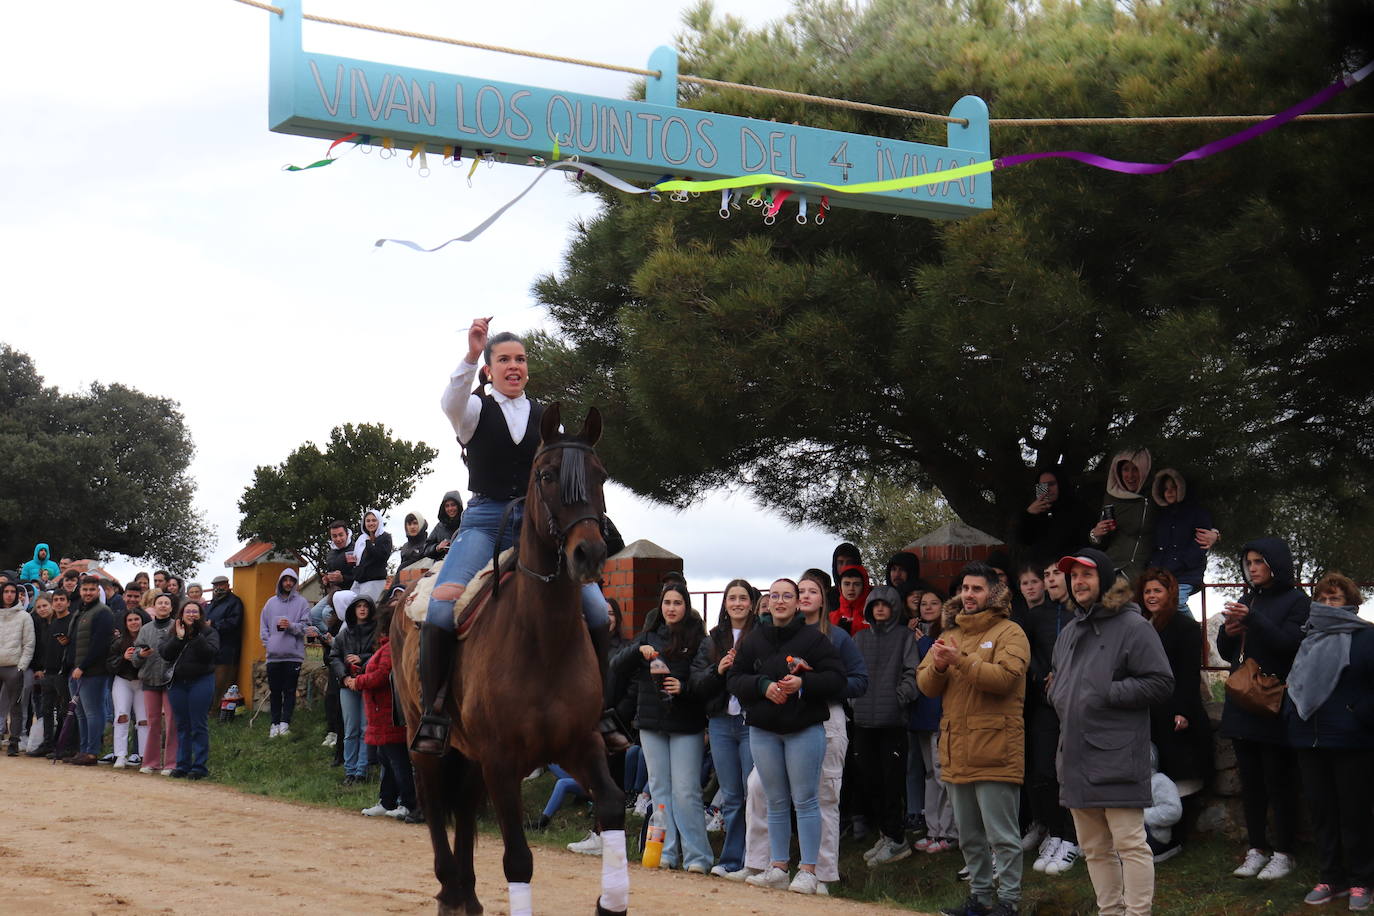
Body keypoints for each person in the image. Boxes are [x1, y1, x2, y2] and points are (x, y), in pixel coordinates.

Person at [416, 317, 615, 755]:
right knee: (441, 609)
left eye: (520, 360)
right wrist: (470, 353)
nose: (514, 366)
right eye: (504, 359)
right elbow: (449, 399)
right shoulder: (472, 410)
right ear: (489, 369)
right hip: (485, 520)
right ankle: (434, 713)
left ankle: (604, 710)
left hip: (538, 523)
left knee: (599, 611)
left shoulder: (548, 419)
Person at [1049, 549, 1173, 916]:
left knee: (1131, 844)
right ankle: (1110, 912)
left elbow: (1161, 683)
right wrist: (1059, 693)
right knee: (1093, 848)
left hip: (1117, 754)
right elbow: (1063, 681)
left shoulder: (1135, 627)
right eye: (1073, 577)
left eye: (1086, 575)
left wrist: (1107, 691)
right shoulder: (1070, 631)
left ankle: (1137, 913)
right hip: (1074, 753)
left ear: (1103, 579)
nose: (1078, 582)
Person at [917, 562, 1029, 916]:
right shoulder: (950, 635)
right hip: (956, 750)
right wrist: (937, 666)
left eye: (976, 589)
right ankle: (980, 899)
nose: (968, 595)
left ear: (993, 594)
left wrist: (960, 661)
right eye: (964, 588)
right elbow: (925, 684)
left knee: (1002, 836)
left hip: (996, 749)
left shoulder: (1011, 632)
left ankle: (1008, 901)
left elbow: (1006, 679)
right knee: (969, 836)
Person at [728, 578, 847, 895]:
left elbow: (837, 679)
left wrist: (804, 685)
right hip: (764, 729)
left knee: (806, 800)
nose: (780, 601)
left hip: (804, 728)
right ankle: (778, 867)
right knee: (775, 800)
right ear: (768, 602)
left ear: (797, 603)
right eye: (775, 596)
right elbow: (735, 678)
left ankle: (808, 871)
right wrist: (762, 686)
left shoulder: (815, 640)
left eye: (787, 596)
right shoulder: (753, 640)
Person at [1215, 537, 1310, 881]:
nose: (1252, 568)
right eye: (1249, 562)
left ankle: (1285, 852)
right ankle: (1256, 848)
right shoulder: (1247, 597)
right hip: (1243, 702)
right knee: (1251, 782)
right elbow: (1229, 653)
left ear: (1276, 564)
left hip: (1275, 704)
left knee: (1278, 781)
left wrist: (1253, 620)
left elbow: (1290, 645)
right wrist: (1228, 632)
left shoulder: (1298, 601)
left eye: (1259, 562)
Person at [1283, 572, 1374, 910]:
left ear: (1350, 602)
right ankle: (1330, 877)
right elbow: (1297, 684)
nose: (1326, 604)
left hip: (1352, 740)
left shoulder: (1366, 638)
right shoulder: (1308, 638)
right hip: (1310, 738)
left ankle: (1362, 880)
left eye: (1334, 598)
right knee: (1322, 812)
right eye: (1321, 598)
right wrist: (1292, 719)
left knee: (1355, 814)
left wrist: (1357, 713)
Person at [610, 584, 711, 873]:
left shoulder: (698, 640)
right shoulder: (647, 635)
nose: (671, 608)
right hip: (652, 726)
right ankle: (666, 853)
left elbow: (704, 681)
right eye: (667, 602)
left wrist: (685, 688)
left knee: (686, 791)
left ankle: (697, 857)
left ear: (686, 606)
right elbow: (617, 666)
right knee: (659, 789)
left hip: (685, 725)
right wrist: (636, 652)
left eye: (677, 602)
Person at [1135, 567, 1214, 860]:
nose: (1151, 596)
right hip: (1150, 711)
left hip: (1176, 711)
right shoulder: (1141, 624)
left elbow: (1188, 672)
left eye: (1157, 590)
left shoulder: (1185, 627)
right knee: (1159, 772)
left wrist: (1182, 711)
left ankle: (1176, 839)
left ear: (1170, 593)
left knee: (1179, 772)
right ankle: (1157, 838)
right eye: (1147, 591)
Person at [688, 579, 757, 879]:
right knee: (731, 796)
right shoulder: (712, 639)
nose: (738, 603)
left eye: (743, 598)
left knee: (752, 793)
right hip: (719, 722)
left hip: (750, 722)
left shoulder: (762, 635)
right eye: (732, 598)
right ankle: (731, 859)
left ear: (752, 603)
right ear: (725, 603)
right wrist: (719, 670)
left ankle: (753, 858)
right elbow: (697, 684)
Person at [851, 584, 920, 867]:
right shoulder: (859, 638)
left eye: (885, 604)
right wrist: (855, 702)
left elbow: (912, 673)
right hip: (863, 722)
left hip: (892, 722)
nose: (880, 608)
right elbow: (852, 673)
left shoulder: (905, 637)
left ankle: (897, 840)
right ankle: (886, 834)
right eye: (875, 604)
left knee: (892, 783)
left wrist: (898, 699)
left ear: (894, 608)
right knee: (871, 783)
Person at [1022, 561, 1079, 876]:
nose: (1050, 578)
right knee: (1043, 772)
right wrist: (1046, 675)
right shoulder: (1035, 616)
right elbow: (1028, 654)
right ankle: (1056, 832)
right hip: (1044, 704)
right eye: (1045, 574)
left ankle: (1073, 839)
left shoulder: (1082, 613)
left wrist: (1062, 675)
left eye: (1056, 573)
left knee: (1071, 772)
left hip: (1076, 704)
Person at [350, 596, 417, 820]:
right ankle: (387, 800)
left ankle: (407, 803)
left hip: (388, 712)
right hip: (382, 712)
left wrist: (357, 681)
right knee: (387, 758)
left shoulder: (389, 649)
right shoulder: (387, 647)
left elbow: (381, 676)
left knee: (396, 760)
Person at [909, 588, 958, 856]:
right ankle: (933, 829)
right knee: (930, 775)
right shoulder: (916, 637)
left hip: (940, 713)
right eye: (923, 603)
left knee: (943, 775)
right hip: (921, 715)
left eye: (934, 603)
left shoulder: (946, 636)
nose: (927, 607)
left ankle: (949, 832)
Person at [161, 600, 219, 779]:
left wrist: (195, 636)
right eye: (188, 611)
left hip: (201, 681)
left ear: (200, 615)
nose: (191, 614)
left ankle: (199, 767)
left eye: (195, 611)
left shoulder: (209, 632)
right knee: (182, 725)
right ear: (181, 614)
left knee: (198, 724)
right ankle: (182, 765)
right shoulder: (173, 632)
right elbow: (165, 653)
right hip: (178, 684)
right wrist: (179, 638)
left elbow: (210, 653)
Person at [1146, 469, 1220, 610]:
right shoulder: (1159, 516)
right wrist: (1153, 568)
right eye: (1165, 489)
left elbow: (1199, 545)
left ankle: (1193, 631)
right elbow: (1156, 547)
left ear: (1182, 488)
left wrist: (1181, 563)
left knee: (1177, 604)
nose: (1169, 492)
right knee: (1152, 605)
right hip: (1161, 574)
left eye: (1173, 488)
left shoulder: (1197, 513)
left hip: (1186, 574)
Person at [330, 593, 378, 786]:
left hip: (367, 683)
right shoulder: (344, 633)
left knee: (366, 729)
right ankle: (349, 771)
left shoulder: (377, 632)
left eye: (366, 605)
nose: (362, 609)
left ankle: (362, 771)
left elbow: (380, 654)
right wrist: (345, 677)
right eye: (358, 606)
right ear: (353, 610)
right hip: (347, 685)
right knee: (350, 729)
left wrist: (362, 659)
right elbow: (334, 657)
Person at [67, 575, 115, 766]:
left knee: (93, 712)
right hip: (75, 670)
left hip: (92, 671)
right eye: (85, 589)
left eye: (92, 590)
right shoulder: (80, 611)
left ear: (98, 591)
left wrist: (82, 666)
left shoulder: (103, 612)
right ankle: (83, 750)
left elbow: (99, 644)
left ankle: (92, 752)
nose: (88, 593)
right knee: (80, 713)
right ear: (80, 591)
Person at [258, 568, 312, 738]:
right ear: (280, 582)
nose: (288, 583)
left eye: (292, 580)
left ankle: (285, 723)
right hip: (274, 656)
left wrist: (291, 626)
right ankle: (274, 724)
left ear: (295, 583)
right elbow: (264, 628)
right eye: (285, 580)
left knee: (289, 690)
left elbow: (305, 627)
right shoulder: (270, 603)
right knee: (275, 691)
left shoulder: (302, 603)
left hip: (293, 656)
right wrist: (270, 644)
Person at [1089, 448, 1154, 582]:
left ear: (1143, 469)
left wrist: (1210, 532)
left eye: (1135, 469)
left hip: (1143, 575)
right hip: (1113, 570)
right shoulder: (1111, 497)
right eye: (1125, 469)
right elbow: (1101, 542)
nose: (1130, 475)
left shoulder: (1156, 496)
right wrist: (1095, 534)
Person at [133, 593, 178, 775]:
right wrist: (140, 655)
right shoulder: (145, 629)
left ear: (171, 607)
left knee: (171, 721)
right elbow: (136, 657)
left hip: (170, 680)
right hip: (150, 678)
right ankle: (151, 761)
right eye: (160, 603)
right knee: (152, 722)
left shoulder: (177, 626)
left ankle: (171, 763)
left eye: (166, 603)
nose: (163, 606)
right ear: (154, 606)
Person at [29, 589, 74, 759]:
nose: (58, 603)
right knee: (46, 709)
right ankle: (48, 743)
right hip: (48, 672)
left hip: (63, 672)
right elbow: (44, 650)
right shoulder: (46, 624)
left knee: (64, 710)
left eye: (62, 599)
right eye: (38, 606)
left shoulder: (69, 621)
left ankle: (62, 744)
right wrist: (40, 668)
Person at [1017, 468, 1087, 566]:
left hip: (1069, 567)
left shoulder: (1079, 509)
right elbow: (1024, 540)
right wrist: (1029, 515)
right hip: (1041, 571)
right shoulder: (1036, 513)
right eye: (1043, 486)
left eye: (1051, 484)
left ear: (1061, 484)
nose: (1048, 489)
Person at [107, 609, 149, 768]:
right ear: (125, 623)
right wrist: (123, 658)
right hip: (123, 681)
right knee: (121, 716)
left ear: (141, 620)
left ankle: (145, 755)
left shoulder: (147, 639)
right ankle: (120, 755)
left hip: (142, 682)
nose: (133, 622)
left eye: (136, 619)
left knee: (144, 719)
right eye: (130, 620)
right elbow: (110, 665)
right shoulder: (118, 642)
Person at [0, 583, 36, 756]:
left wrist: (21, 667)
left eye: (12, 592)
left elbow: (29, 644)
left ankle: (14, 741)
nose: (9, 595)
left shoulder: (24, 617)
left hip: (14, 667)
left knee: (15, 706)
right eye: (6, 591)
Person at [204, 576, 243, 708]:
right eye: (216, 586)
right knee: (209, 682)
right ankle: (209, 709)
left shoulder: (235, 602)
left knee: (221, 683)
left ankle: (217, 711)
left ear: (227, 585)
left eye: (221, 585)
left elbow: (234, 623)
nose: (218, 588)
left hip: (226, 649)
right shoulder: (212, 603)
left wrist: (214, 624)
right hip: (211, 649)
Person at [311, 521, 357, 631]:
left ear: (347, 534)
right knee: (313, 615)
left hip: (351, 591)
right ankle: (330, 640)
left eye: (341, 535)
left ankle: (338, 640)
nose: (338, 539)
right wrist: (326, 580)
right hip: (334, 592)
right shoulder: (331, 553)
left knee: (327, 613)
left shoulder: (355, 549)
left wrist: (343, 578)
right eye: (334, 536)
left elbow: (361, 574)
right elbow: (329, 575)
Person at [351, 509, 393, 601]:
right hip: (359, 580)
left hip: (374, 581)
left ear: (379, 521)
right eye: (368, 521)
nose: (371, 523)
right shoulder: (362, 539)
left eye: (374, 520)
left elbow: (381, 557)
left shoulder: (385, 537)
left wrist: (370, 543)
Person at [831, 565, 871, 635]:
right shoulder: (830, 618)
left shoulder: (874, 616)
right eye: (847, 584)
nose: (851, 588)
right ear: (840, 586)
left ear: (864, 587)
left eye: (856, 584)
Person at [425, 491, 465, 562]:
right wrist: (437, 547)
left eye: (453, 505)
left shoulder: (466, 524)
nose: (450, 509)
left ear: (458, 506)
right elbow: (426, 549)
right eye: (447, 506)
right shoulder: (439, 527)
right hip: (442, 565)